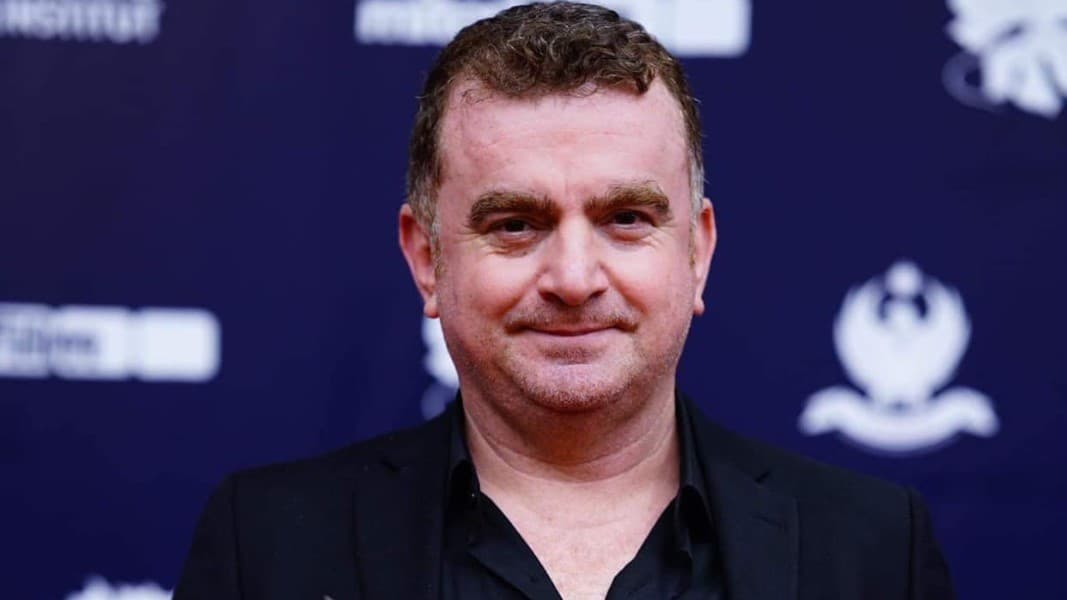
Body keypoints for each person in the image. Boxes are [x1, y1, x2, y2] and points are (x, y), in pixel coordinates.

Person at [175, 3, 956, 598]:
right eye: (515, 224)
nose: (574, 279)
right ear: (427, 259)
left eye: (626, 218)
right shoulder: (267, 549)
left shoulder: (871, 551)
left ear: (697, 251)